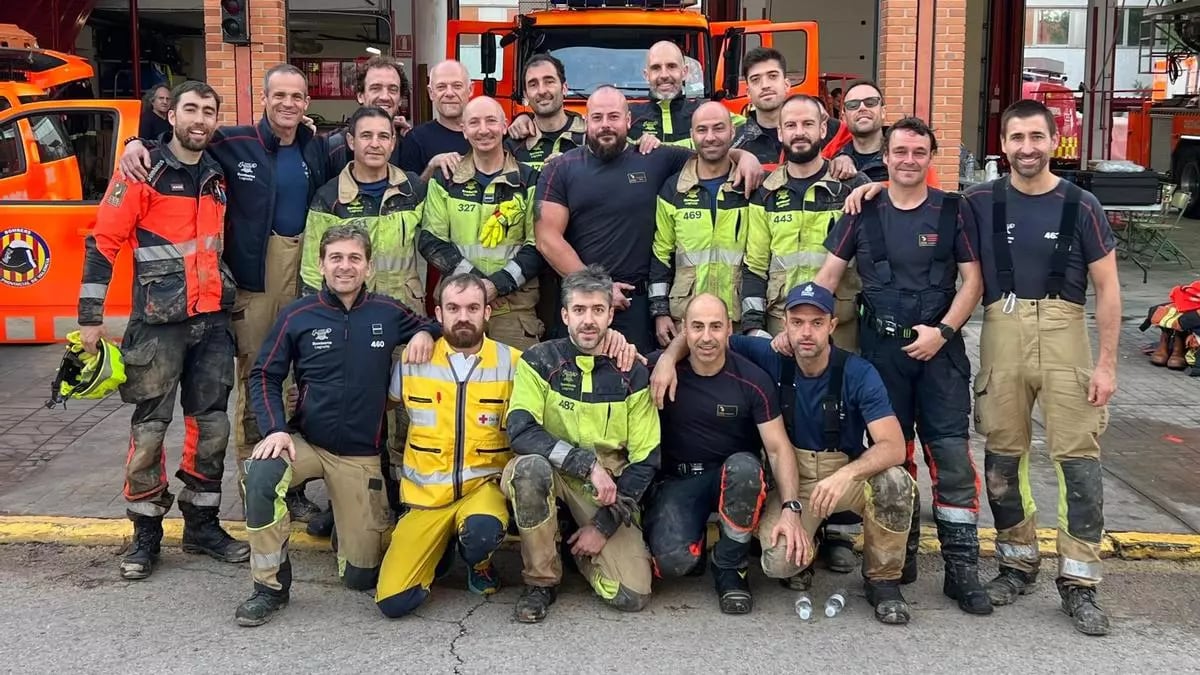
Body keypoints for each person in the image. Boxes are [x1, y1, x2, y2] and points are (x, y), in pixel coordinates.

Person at [120, 63, 333, 523]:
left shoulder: (316, 148)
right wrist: (135, 144)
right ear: (263, 98)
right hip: (254, 286)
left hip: (305, 280)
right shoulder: (232, 141)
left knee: (304, 386)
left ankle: (292, 484)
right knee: (261, 381)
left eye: (297, 97)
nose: (288, 104)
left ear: (307, 104)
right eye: (279, 95)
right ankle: (255, 482)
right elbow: (181, 143)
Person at [652, 282, 917, 625]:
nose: (806, 333)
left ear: (832, 326)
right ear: (785, 325)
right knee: (778, 563)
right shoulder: (769, 356)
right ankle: (813, 536)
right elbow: (704, 334)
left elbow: (894, 446)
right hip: (795, 480)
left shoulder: (858, 372)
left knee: (894, 482)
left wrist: (846, 475)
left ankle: (884, 583)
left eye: (817, 323)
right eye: (797, 322)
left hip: (844, 476)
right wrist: (669, 358)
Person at [810, 116, 991, 615]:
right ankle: (899, 555)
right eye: (900, 152)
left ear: (930, 158)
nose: (909, 160)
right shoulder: (861, 211)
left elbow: (972, 282)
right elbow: (828, 276)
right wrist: (799, 327)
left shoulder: (955, 211)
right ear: (884, 157)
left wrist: (944, 333)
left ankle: (962, 569)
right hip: (882, 357)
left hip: (941, 352)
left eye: (919, 152)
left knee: (951, 461)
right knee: (894, 459)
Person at [78, 81, 248, 580]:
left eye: (208, 111)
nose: (200, 119)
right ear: (170, 115)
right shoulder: (140, 171)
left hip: (212, 321)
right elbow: (102, 243)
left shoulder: (217, 174)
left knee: (212, 426)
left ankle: (201, 524)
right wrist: (90, 319)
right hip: (157, 326)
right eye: (190, 109)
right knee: (150, 429)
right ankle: (145, 532)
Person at [964, 99, 1120, 636]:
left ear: (1055, 142)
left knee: (1077, 462)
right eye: (1015, 138)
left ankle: (1079, 582)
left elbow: (1108, 288)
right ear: (1002, 145)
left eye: (1036, 137)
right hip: (1001, 335)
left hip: (1066, 337)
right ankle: (1016, 562)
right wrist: (867, 189)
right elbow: (916, 201)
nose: (1026, 148)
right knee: (1003, 459)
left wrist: (1105, 365)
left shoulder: (1082, 205)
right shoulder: (978, 200)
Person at [235, 224, 440, 627]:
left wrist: (426, 334)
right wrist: (275, 428)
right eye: (336, 258)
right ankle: (269, 586)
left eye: (354, 258)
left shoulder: (386, 311)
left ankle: (344, 532)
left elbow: (430, 324)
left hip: (361, 457)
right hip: (307, 444)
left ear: (368, 266)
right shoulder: (298, 314)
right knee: (261, 475)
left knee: (361, 578)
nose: (345, 267)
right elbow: (263, 375)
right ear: (321, 264)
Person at [535, 86, 764, 353]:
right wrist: (599, 288)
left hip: (640, 307)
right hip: (584, 302)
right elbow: (547, 239)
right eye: (597, 118)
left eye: (614, 117)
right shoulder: (561, 169)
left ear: (629, 120)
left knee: (639, 382)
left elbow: (708, 153)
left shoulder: (656, 159)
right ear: (586, 121)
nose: (605, 125)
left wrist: (743, 156)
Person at [502, 265, 662, 623]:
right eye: (579, 310)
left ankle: (577, 549)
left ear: (610, 313)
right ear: (564, 315)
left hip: (607, 492)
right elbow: (521, 429)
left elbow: (646, 459)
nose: (588, 321)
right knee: (529, 469)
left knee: (631, 595)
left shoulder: (632, 372)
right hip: (558, 473)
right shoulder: (539, 361)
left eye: (597, 310)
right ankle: (541, 581)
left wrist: (603, 526)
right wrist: (585, 464)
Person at [644, 294, 808, 615]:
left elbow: (777, 448)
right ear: (684, 330)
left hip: (733, 479)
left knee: (746, 468)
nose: (707, 337)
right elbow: (615, 360)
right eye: (698, 327)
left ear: (729, 330)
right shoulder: (658, 369)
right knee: (672, 563)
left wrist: (791, 507)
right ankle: (696, 543)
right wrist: (665, 358)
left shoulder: (752, 380)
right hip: (677, 482)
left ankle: (730, 565)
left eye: (716, 327)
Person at [375, 274, 519, 617]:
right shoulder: (414, 361)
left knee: (481, 532)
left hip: (482, 490)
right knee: (395, 602)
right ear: (438, 314)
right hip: (426, 498)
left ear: (488, 312)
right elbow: (378, 405)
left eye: (472, 307)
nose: (463, 316)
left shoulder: (514, 362)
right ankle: (440, 550)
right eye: (453, 308)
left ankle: (479, 561)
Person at [741, 94, 868, 350]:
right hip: (782, 324)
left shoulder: (851, 187)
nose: (799, 132)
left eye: (807, 124)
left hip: (840, 324)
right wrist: (753, 327)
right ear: (779, 132)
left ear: (822, 129)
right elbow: (754, 266)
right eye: (791, 125)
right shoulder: (765, 192)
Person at [418, 96, 544, 350]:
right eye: (474, 122)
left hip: (513, 311)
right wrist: (477, 288)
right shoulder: (446, 179)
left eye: (491, 121)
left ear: (505, 125)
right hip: (459, 309)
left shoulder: (528, 179)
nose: (483, 129)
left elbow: (539, 244)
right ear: (463, 130)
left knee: (516, 386)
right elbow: (432, 241)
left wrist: (498, 285)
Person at [651, 102, 754, 345]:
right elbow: (660, 255)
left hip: (735, 318)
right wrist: (660, 311)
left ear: (732, 132)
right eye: (702, 130)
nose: (710, 137)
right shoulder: (674, 189)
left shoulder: (749, 186)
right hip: (686, 318)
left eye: (718, 128)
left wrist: (754, 323)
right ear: (692, 136)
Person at [326, 57, 413, 174]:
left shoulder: (410, 146)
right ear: (360, 96)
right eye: (375, 88)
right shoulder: (335, 148)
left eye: (392, 89)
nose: (385, 97)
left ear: (401, 99)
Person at [505, 54, 586, 170]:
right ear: (525, 95)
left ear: (564, 88)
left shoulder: (589, 136)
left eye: (549, 82)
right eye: (533, 84)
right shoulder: (512, 145)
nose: (542, 91)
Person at [400, 59, 472, 181]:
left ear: (470, 90)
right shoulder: (415, 139)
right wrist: (431, 167)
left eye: (457, 86)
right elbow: (409, 195)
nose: (449, 93)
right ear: (431, 93)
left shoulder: (488, 134)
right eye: (441, 87)